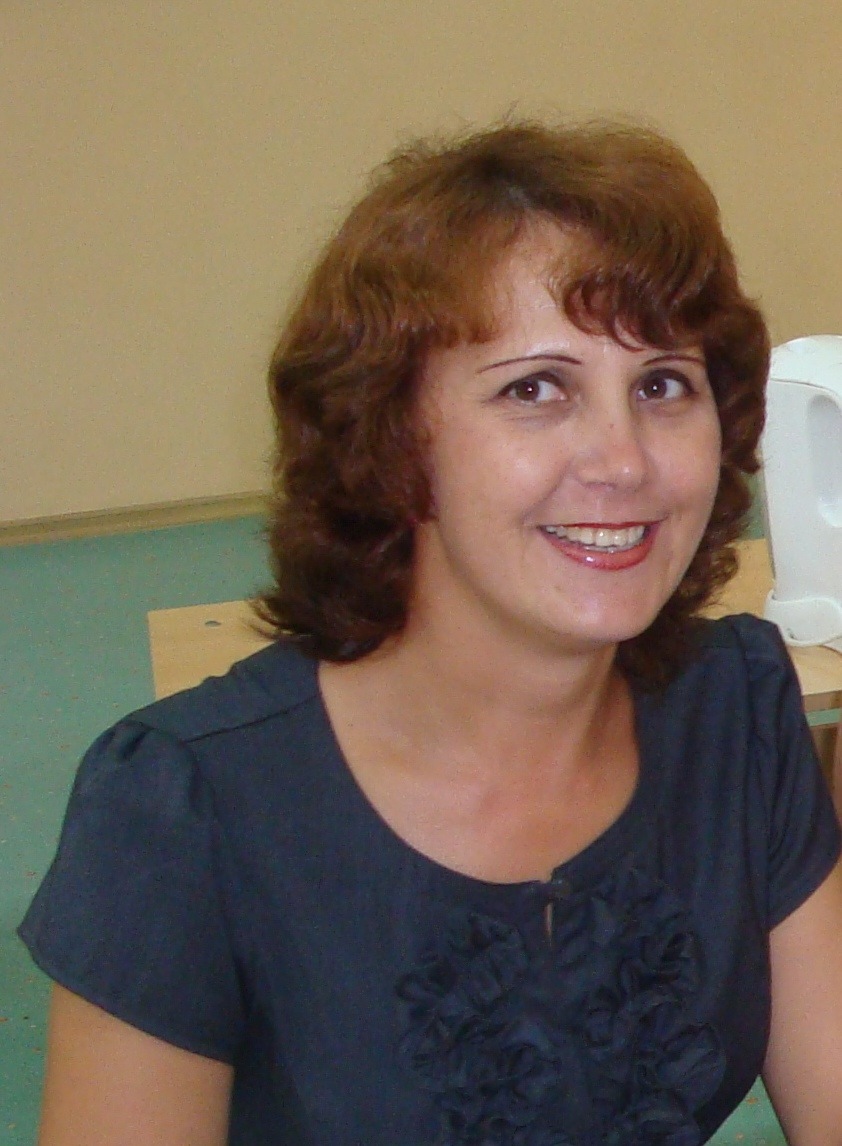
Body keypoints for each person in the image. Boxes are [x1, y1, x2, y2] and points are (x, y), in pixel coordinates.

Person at [20, 120, 842, 1146]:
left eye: (661, 385)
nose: (624, 460)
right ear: (392, 439)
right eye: (534, 389)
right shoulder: (184, 809)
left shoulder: (735, 712)